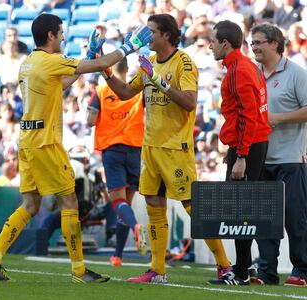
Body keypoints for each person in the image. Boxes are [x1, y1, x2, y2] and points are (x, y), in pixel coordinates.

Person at [0, 13, 153, 283]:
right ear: (50, 35)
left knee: (31, 204)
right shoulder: (50, 60)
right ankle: (79, 270)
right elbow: (102, 65)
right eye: (60, 33)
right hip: (46, 141)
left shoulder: (30, 63)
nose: (62, 36)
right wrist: (129, 47)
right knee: (69, 201)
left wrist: (93, 53)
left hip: (28, 139)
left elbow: (59, 85)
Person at [93, 13, 232, 283]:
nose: (147, 37)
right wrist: (104, 69)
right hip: (151, 148)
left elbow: (190, 103)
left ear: (166, 35)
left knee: (193, 206)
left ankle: (224, 266)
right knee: (154, 205)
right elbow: (124, 93)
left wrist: (158, 80)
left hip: (175, 148)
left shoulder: (184, 63)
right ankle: (157, 270)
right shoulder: (150, 63)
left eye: (151, 32)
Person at [208, 20, 271, 285]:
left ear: (225, 43)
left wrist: (241, 155)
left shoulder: (237, 70)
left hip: (250, 146)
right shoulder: (246, 66)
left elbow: (247, 114)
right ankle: (245, 267)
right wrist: (234, 149)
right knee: (241, 211)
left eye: (213, 41)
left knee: (238, 213)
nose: (210, 45)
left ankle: (243, 271)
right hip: (250, 143)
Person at [250, 23, 307, 287]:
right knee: (265, 222)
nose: (254, 47)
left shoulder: (296, 73)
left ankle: (302, 271)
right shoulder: (253, 74)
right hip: (261, 158)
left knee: (296, 218)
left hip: (292, 158)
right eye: (252, 43)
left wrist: (277, 119)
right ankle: (266, 273)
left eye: (259, 42)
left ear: (275, 43)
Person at [87, 58, 147, 266]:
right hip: (135, 149)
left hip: (112, 149)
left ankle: (135, 227)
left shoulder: (101, 90)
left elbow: (90, 120)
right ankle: (118, 255)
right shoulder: (137, 91)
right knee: (126, 203)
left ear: (111, 70)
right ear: (127, 70)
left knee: (118, 202)